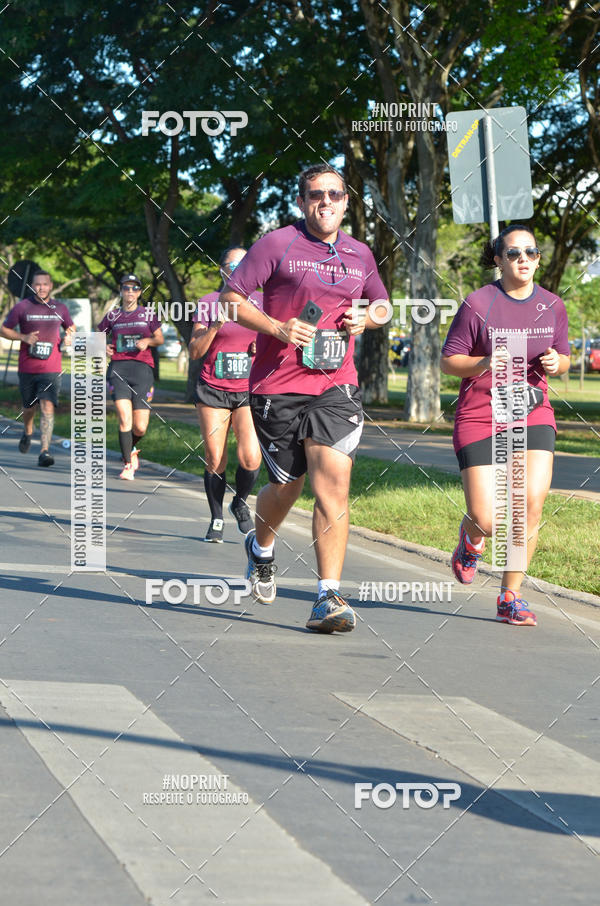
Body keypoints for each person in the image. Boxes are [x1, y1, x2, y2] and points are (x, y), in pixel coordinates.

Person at [219, 163, 388, 633]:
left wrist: (366, 319)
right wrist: (277, 327)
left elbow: (382, 303)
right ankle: (262, 548)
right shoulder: (277, 243)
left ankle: (327, 596)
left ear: (347, 201)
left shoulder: (359, 253)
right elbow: (232, 297)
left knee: (332, 482)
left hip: (336, 385)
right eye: (317, 194)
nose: (326, 202)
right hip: (278, 384)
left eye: (335, 194)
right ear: (302, 200)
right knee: (287, 487)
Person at [441, 224, 570, 626]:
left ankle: (510, 596)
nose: (524, 260)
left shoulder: (552, 305)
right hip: (481, 413)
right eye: (514, 253)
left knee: (529, 504)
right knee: (487, 516)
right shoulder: (479, 303)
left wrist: (556, 363)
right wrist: (483, 362)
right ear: (497, 260)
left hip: (533, 412)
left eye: (531, 253)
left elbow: (564, 358)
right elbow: (448, 361)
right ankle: (472, 539)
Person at [188, 247, 262, 542]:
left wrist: (261, 350)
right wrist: (217, 324)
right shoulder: (208, 303)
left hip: (248, 389)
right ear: (223, 270)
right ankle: (216, 517)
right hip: (213, 389)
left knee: (251, 458)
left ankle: (240, 502)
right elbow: (195, 351)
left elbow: (277, 343)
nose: (243, 268)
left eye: (248, 263)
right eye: (235, 264)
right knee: (215, 457)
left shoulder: (263, 302)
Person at [1, 270, 75, 467]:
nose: (42, 287)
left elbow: (71, 327)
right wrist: (23, 337)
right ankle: (28, 431)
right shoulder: (22, 307)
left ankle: (45, 451)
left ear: (51, 286)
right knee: (28, 408)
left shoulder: (60, 308)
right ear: (32, 286)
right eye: (38, 284)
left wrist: (69, 336)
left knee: (47, 406)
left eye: (45, 284)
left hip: (51, 367)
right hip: (27, 367)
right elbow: (4, 329)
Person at [98, 275, 164, 480]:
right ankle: (128, 463)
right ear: (121, 290)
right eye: (126, 288)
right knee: (124, 418)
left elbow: (159, 338)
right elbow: (97, 337)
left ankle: (131, 446)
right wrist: (104, 346)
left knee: (140, 426)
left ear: (139, 292)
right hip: (118, 370)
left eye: (135, 288)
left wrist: (148, 341)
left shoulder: (148, 314)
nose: (130, 292)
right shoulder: (113, 316)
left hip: (143, 371)